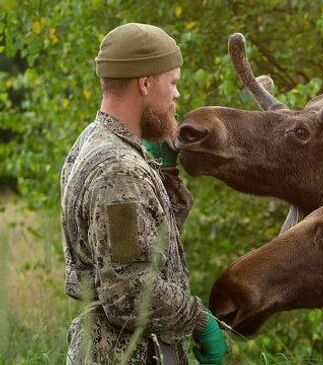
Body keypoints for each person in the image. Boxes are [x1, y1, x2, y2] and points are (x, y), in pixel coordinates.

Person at [60, 23, 227, 364]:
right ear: (146, 83)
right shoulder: (120, 171)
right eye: (173, 83)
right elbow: (129, 291)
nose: (177, 96)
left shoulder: (91, 143)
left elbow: (146, 247)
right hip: (127, 354)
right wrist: (199, 320)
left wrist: (162, 176)